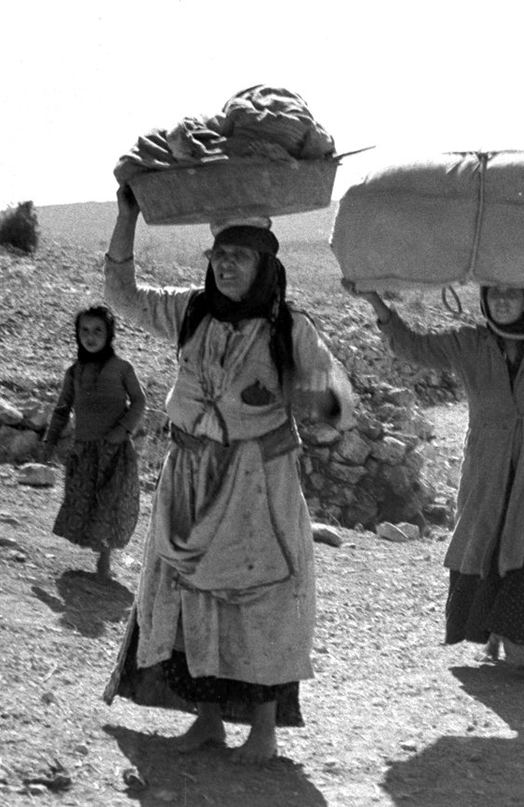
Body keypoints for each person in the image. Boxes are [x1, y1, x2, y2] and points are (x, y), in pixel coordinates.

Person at [102, 187, 355, 764]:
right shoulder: (190, 310)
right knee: (190, 595)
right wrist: (126, 217)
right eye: (218, 253)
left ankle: (263, 731)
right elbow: (120, 293)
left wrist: (316, 395)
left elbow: (338, 403)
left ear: (265, 262)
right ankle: (208, 720)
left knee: (258, 599)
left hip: (256, 482)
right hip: (189, 474)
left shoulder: (290, 328)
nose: (225, 263)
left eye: (239, 254)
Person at [344, 281, 524, 686]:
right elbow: (412, 346)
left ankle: (523, 653)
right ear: (483, 298)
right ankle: (491, 635)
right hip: (488, 461)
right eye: (494, 293)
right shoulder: (469, 342)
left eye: (512, 293)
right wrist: (376, 301)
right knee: (487, 540)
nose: (502, 301)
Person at [42, 304, 146, 579]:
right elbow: (62, 409)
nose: (91, 336)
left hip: (115, 450)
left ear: (109, 334)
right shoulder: (74, 372)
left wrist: (122, 430)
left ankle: (105, 558)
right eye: (84, 330)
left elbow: (139, 401)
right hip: (84, 451)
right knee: (83, 499)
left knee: (111, 502)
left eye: (98, 330)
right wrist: (49, 441)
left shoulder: (122, 368)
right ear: (77, 334)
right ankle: (94, 549)